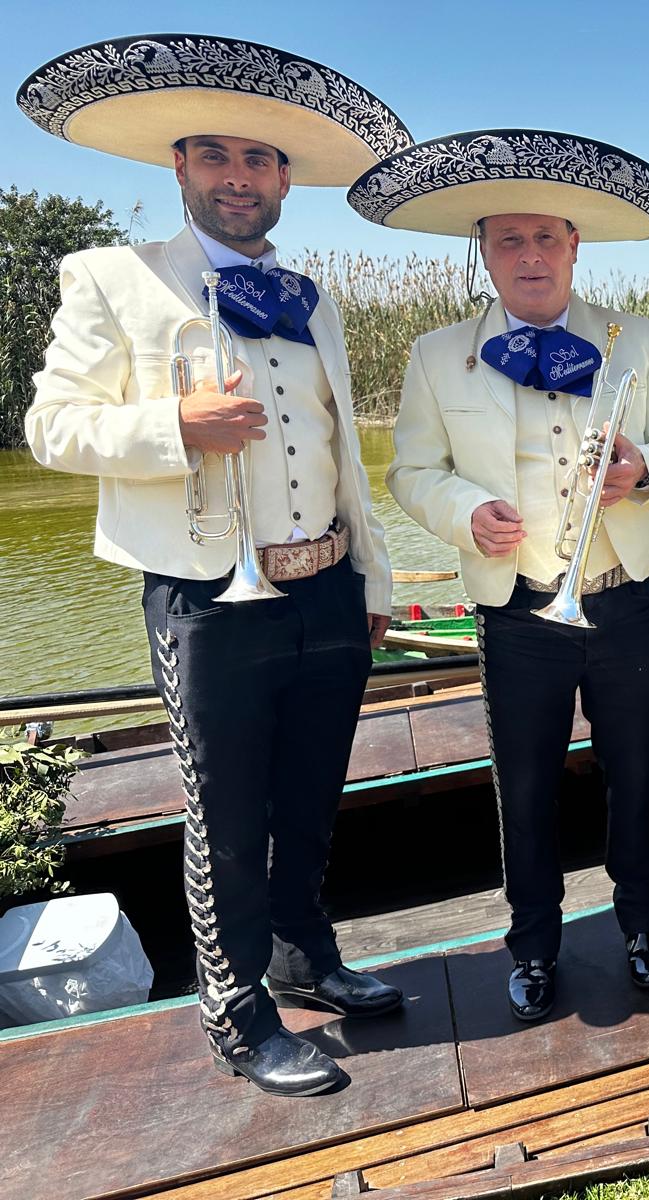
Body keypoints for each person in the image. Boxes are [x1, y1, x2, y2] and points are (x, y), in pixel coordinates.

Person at [18, 33, 411, 1095]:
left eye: (261, 160)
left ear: (285, 179)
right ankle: (236, 1014)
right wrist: (172, 424)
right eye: (216, 157)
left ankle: (303, 957)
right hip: (207, 598)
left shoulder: (317, 297)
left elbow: (342, 458)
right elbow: (50, 426)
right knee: (225, 818)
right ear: (180, 169)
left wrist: (369, 583)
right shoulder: (109, 277)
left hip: (324, 587)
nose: (239, 177)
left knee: (311, 796)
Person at [351, 129, 649, 1022]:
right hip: (515, 609)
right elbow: (409, 471)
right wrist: (463, 511)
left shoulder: (641, 338)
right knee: (527, 784)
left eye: (547, 237)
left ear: (575, 247)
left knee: (637, 774)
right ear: (484, 253)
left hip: (620, 595)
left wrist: (644, 469)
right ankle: (535, 945)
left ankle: (643, 922)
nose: (531, 255)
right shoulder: (438, 354)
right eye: (509, 240)